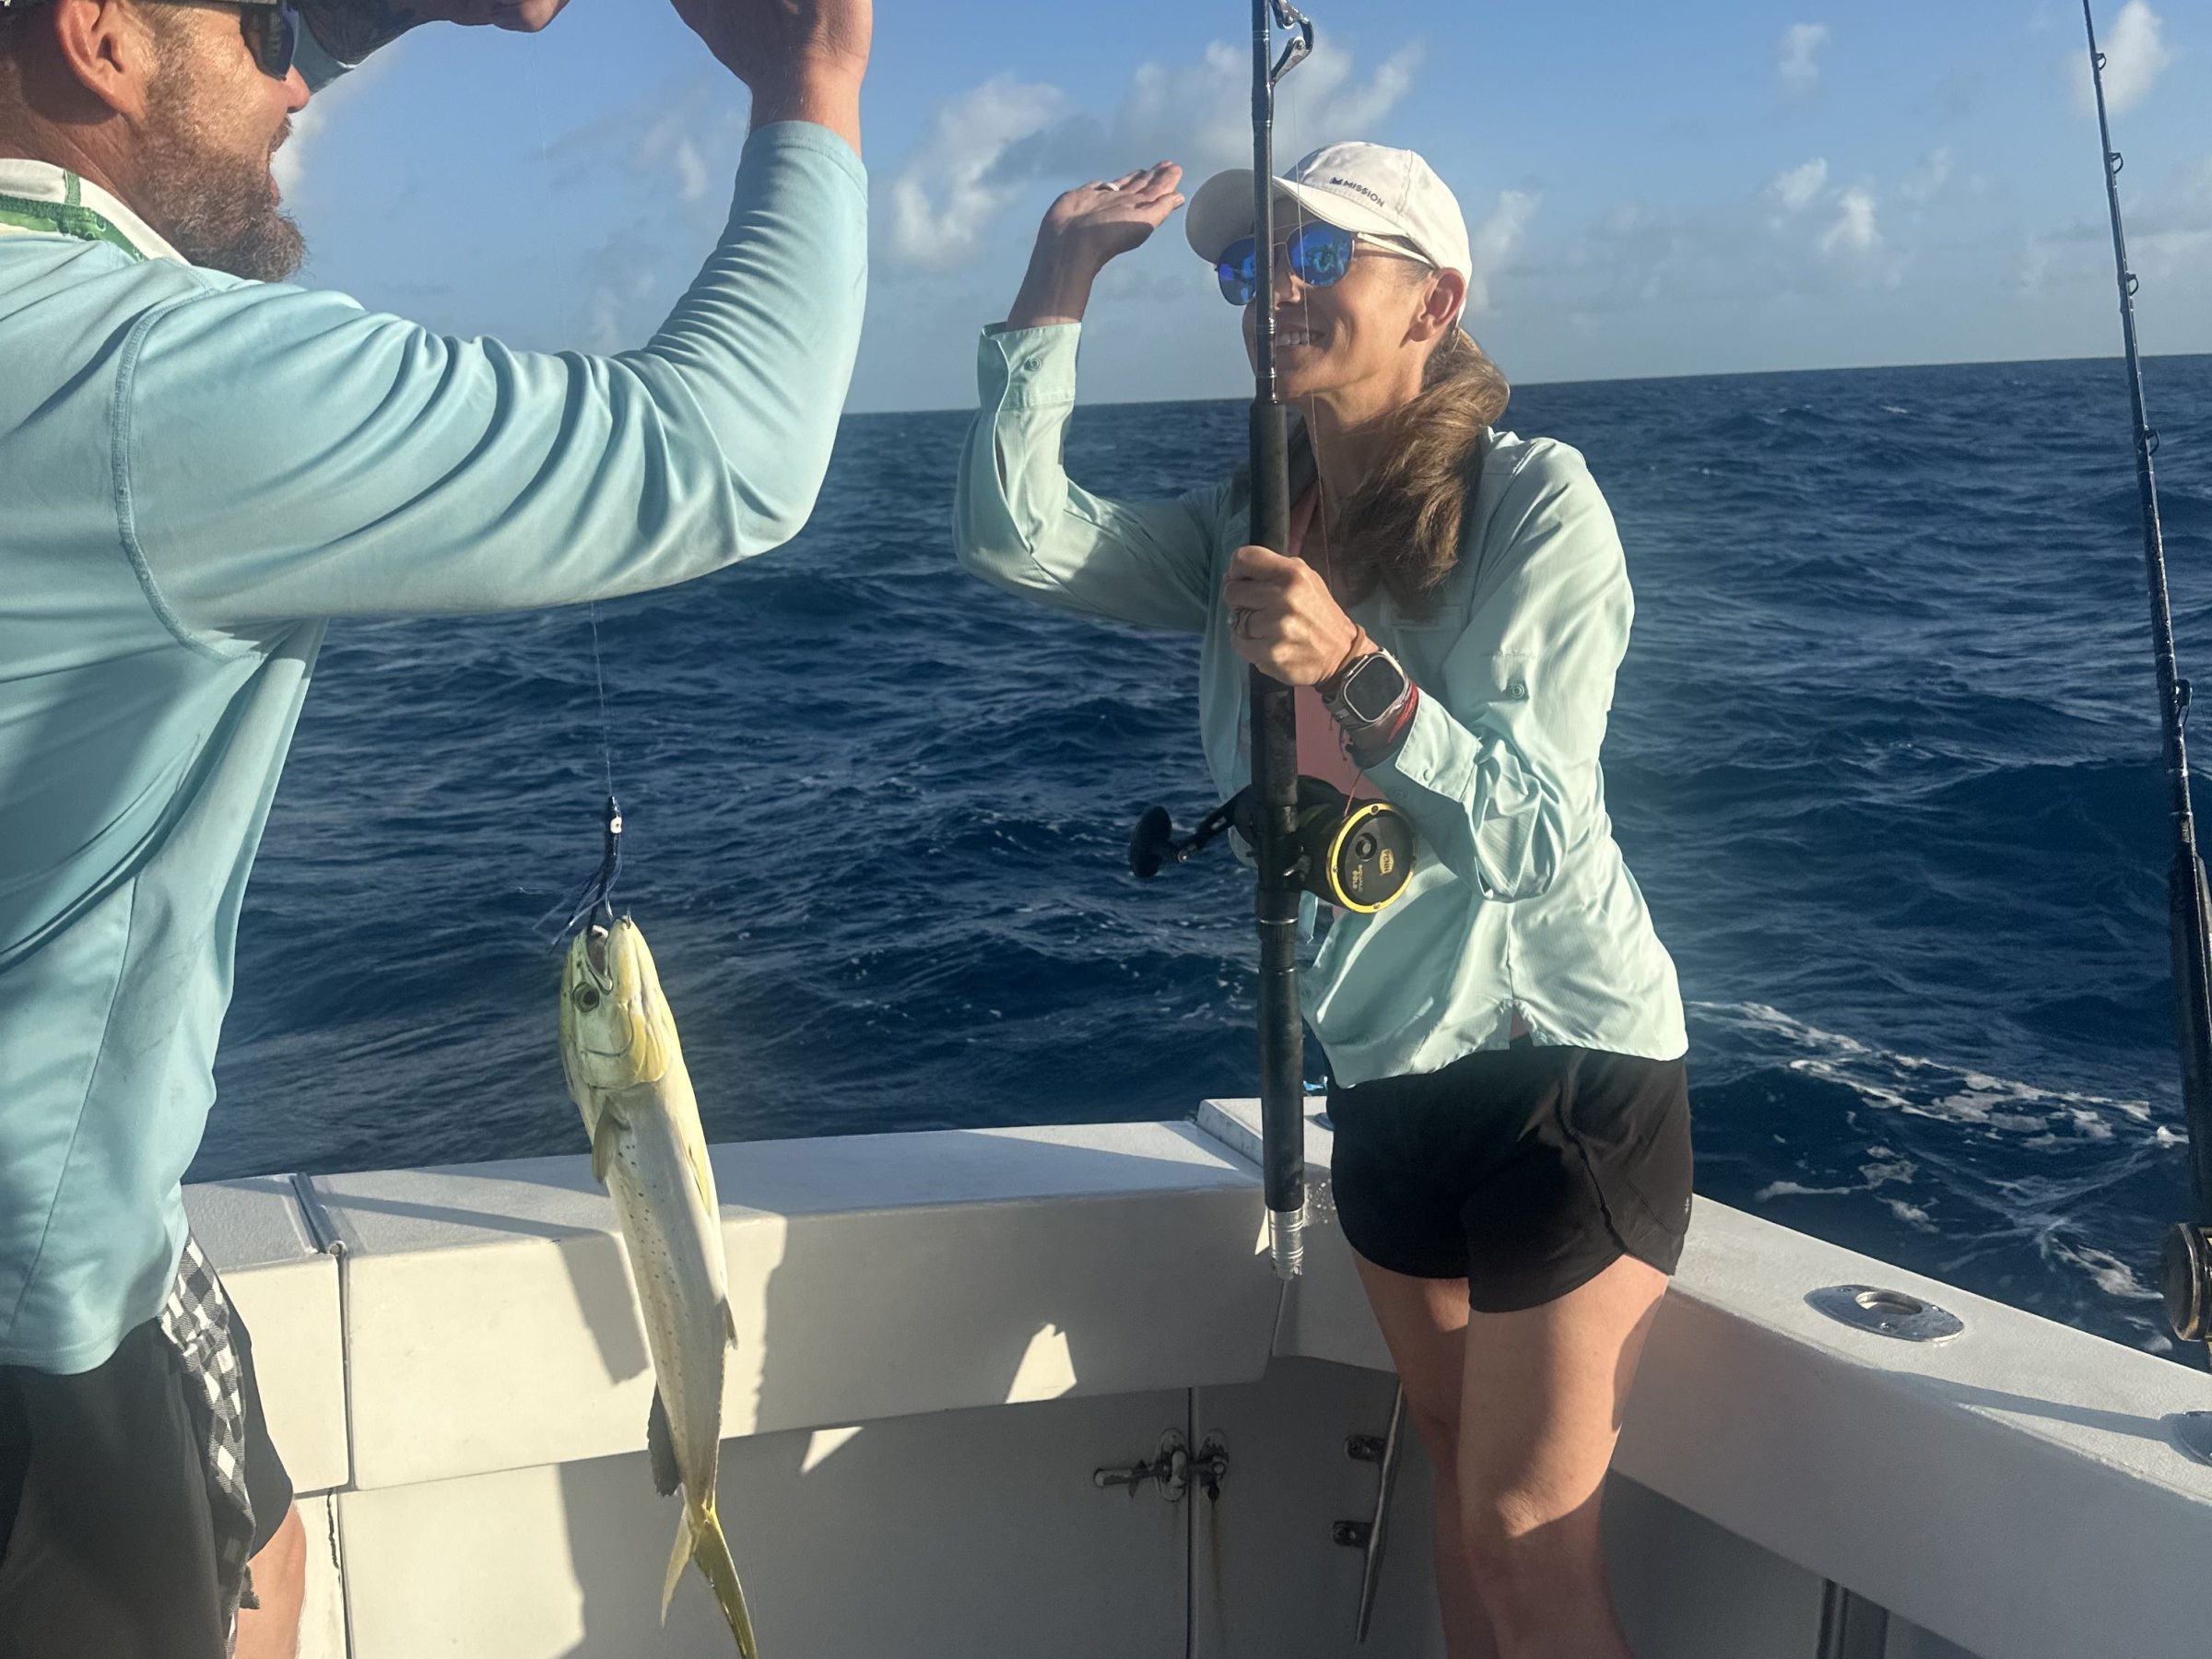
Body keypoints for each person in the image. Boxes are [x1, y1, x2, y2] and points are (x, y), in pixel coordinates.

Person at [0, 0, 871, 1650]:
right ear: (99, 39)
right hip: (31, 1325)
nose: (292, 94)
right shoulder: (138, 378)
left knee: (266, 1567)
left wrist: (347, 12)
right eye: (259, 27)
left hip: (98, 1234)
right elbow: (727, 455)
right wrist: (807, 84)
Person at [954, 143, 1692, 1659]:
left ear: (1436, 303)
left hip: (1563, 1074)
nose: (1269, 295)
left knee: (1522, 1539)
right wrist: (1055, 290)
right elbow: (1015, 536)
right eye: (1247, 269)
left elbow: (1542, 840)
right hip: (1385, 1087)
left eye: (1313, 259)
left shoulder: (1538, 502)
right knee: (1453, 1498)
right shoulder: (1255, 519)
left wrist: (1358, 670)